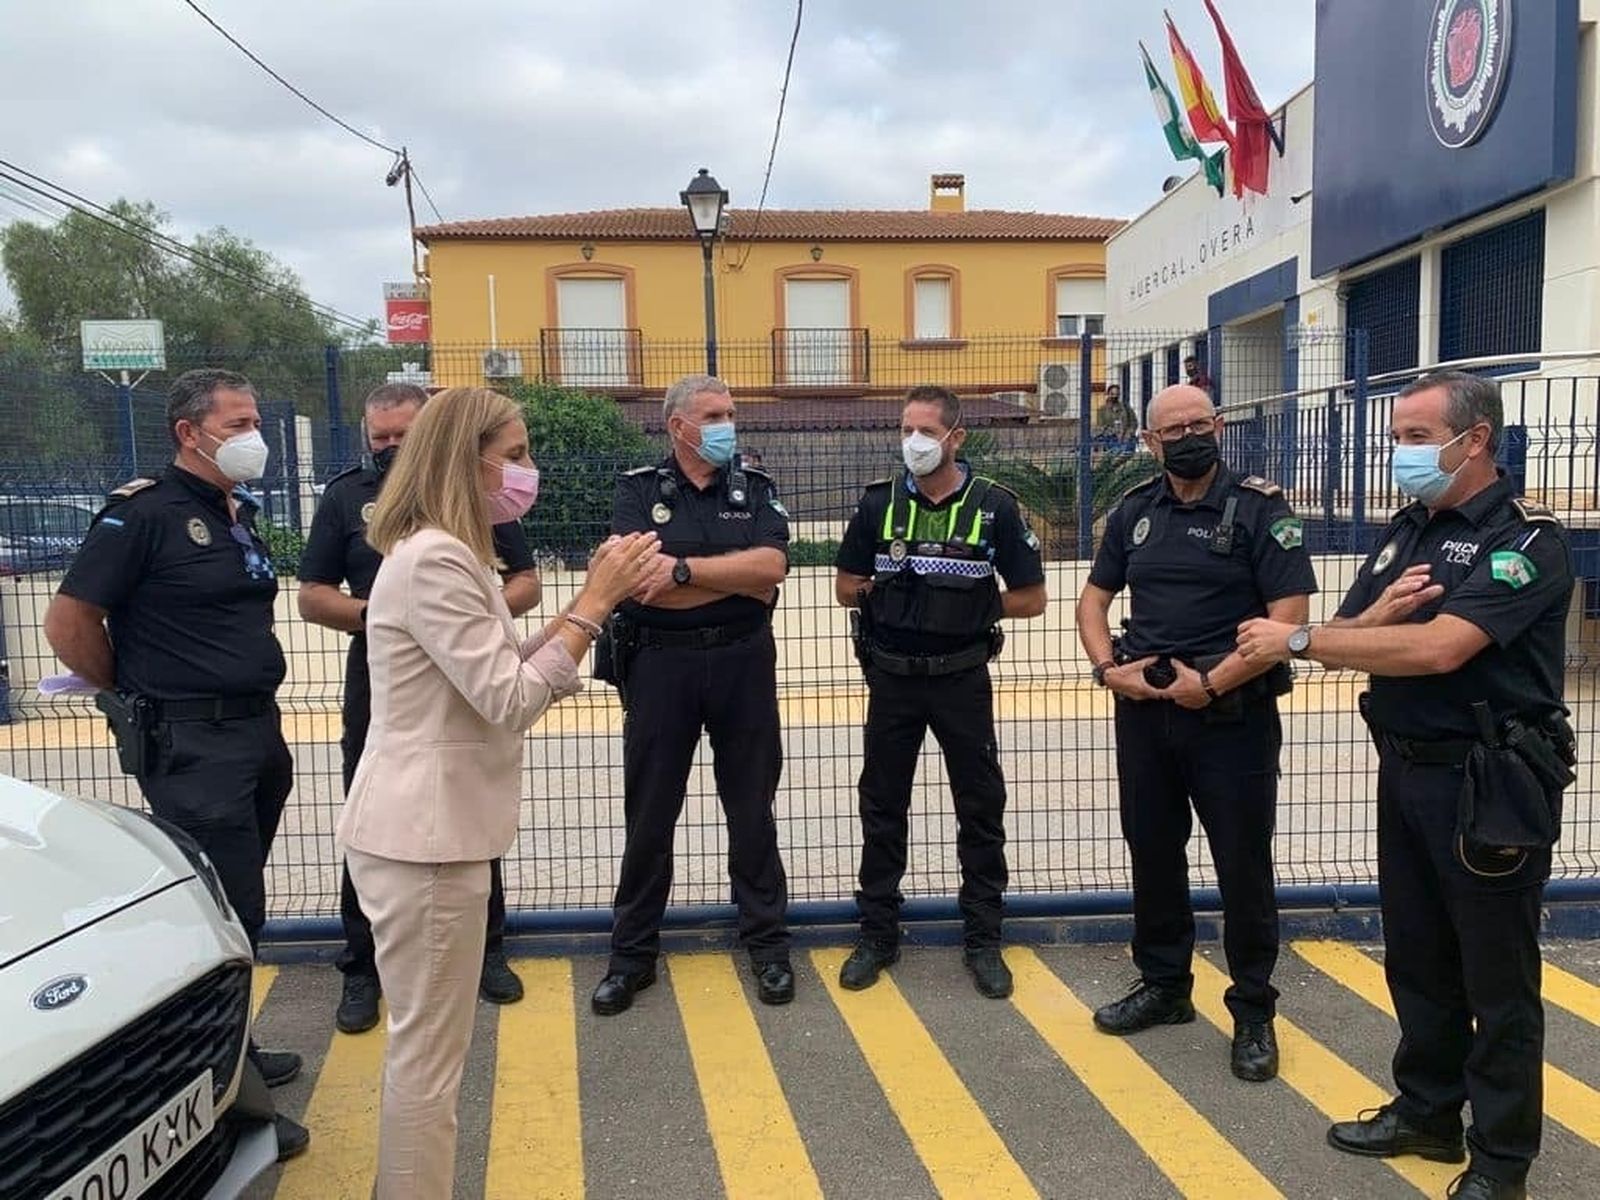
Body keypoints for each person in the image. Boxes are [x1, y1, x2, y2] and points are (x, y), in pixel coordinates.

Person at [1238, 371, 1575, 1200]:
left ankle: (1501, 1161)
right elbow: (1352, 631)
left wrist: (1305, 638)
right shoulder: (1406, 531)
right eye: (1399, 436)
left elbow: (1440, 650)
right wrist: (1359, 625)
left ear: (1476, 439)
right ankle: (1428, 1111)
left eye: (1418, 437)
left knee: (1496, 979)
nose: (1401, 452)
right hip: (1408, 772)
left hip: (1489, 779)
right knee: (1418, 958)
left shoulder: (1526, 541)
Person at [337, 386, 656, 1199]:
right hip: (425, 840)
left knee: (426, 1050)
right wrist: (594, 606)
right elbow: (507, 699)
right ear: (461, 458)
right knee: (428, 1062)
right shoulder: (438, 557)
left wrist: (577, 612)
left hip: (425, 833)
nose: (526, 471)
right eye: (513, 455)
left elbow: (498, 659)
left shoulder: (442, 550)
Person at [43, 367, 310, 1160]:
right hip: (191, 744)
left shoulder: (234, 512)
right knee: (222, 920)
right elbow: (68, 622)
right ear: (189, 434)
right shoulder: (145, 514)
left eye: (254, 419)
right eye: (236, 424)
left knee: (238, 909)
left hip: (253, 735)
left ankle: (235, 1054)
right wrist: (132, 690)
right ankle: (225, 1100)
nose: (252, 436)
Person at [1075, 382, 1316, 1082]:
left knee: (1242, 865)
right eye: (1170, 429)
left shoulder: (1261, 508)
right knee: (1153, 853)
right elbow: (1094, 602)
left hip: (1230, 721)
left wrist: (1207, 684)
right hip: (1146, 717)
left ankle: (1253, 1012)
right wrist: (1106, 670)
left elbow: (1288, 620)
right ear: (1149, 443)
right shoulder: (1135, 512)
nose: (1187, 437)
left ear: (1218, 425)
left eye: (1198, 423)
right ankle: (1164, 986)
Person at [299, 382, 540, 1034]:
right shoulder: (356, 502)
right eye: (380, 438)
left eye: (404, 435)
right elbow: (313, 594)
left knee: (459, 827)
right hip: (388, 680)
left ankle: (483, 950)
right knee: (402, 827)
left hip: (466, 669)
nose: (392, 448)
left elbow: (521, 581)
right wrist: (396, 620)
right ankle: (363, 968)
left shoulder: (473, 512)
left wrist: (462, 621)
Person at [834, 385, 1048, 999]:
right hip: (893, 679)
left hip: (961, 679)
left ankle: (983, 940)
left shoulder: (994, 507)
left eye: (926, 431)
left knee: (979, 807)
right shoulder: (877, 506)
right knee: (882, 807)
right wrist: (886, 593)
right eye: (906, 430)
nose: (914, 443)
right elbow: (846, 584)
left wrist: (969, 610)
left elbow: (1032, 599)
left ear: (956, 438)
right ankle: (877, 935)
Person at [591, 373, 794, 1016]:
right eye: (714, 414)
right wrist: (728, 577)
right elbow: (631, 584)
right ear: (678, 425)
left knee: (752, 810)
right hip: (659, 665)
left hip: (741, 662)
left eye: (731, 412)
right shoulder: (637, 491)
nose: (727, 424)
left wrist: (681, 569)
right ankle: (631, 957)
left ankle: (766, 946)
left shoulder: (754, 488)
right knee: (650, 813)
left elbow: (770, 573)